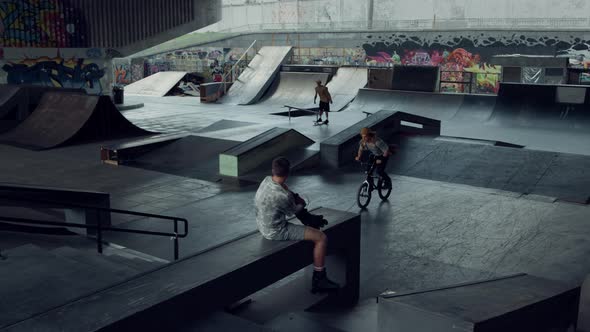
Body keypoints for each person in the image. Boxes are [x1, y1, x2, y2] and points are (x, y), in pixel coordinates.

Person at [254, 157, 340, 293]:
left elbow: (287, 193)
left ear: (273, 170)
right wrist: (303, 203)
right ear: (288, 173)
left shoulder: (266, 180)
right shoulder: (283, 196)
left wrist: (295, 198)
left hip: (262, 224)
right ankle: (319, 279)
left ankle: (308, 220)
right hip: (275, 231)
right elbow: (293, 211)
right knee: (321, 238)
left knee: (296, 204)